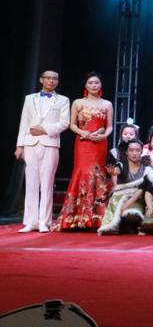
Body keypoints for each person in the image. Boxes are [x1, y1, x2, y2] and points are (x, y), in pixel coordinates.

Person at [53, 72, 113, 232]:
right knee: (81, 173)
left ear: (101, 85)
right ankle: (75, 217)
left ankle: (97, 218)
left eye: (96, 82)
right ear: (85, 85)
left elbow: (109, 126)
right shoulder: (78, 103)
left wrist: (103, 136)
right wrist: (84, 133)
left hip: (99, 144)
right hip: (83, 143)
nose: (94, 85)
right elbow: (72, 124)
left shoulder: (107, 104)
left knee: (98, 175)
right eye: (90, 82)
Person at [15, 70, 70, 233]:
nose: (51, 81)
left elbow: (65, 123)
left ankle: (44, 221)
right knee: (31, 183)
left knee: (47, 184)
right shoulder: (29, 98)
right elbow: (24, 122)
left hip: (50, 143)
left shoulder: (63, 100)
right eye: (48, 78)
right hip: (30, 143)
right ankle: (30, 221)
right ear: (41, 79)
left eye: (55, 79)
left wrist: (44, 129)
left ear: (57, 81)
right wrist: (19, 145)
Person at [97, 139, 152, 235]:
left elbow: (141, 190)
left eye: (137, 150)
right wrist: (114, 172)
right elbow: (117, 169)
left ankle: (127, 225)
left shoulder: (146, 169)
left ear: (141, 151)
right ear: (126, 152)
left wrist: (127, 204)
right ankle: (116, 226)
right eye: (131, 150)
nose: (134, 153)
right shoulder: (121, 165)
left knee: (132, 216)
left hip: (136, 200)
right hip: (119, 199)